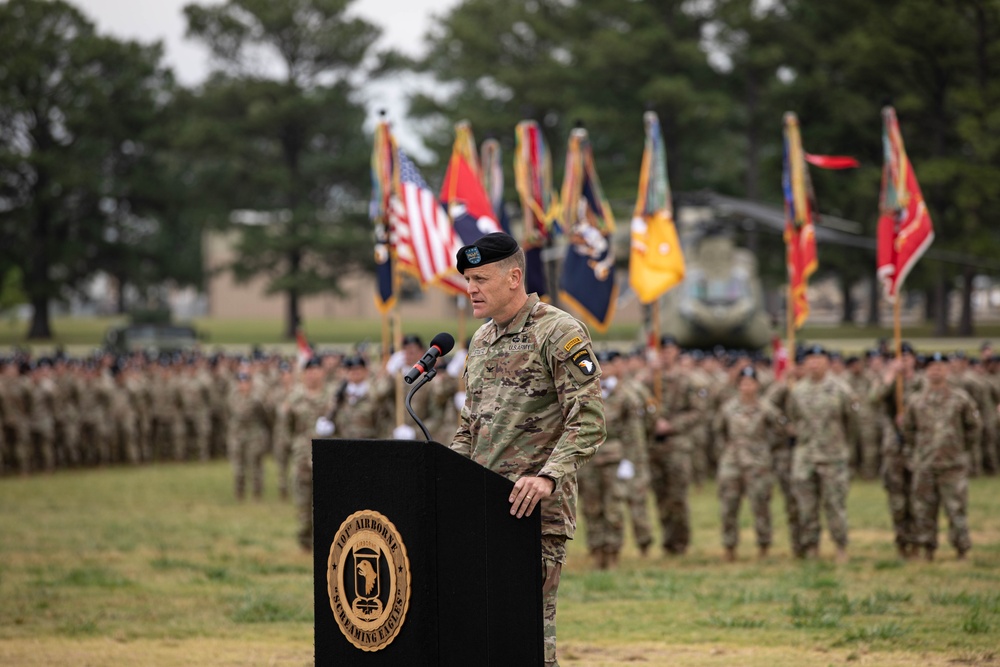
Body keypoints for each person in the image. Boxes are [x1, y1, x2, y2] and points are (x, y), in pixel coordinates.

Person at [449, 232, 605, 667]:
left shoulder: (558, 331)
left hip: (533, 512)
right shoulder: (481, 340)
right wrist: (445, 476)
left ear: (514, 277)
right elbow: (470, 425)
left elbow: (589, 421)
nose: (470, 289)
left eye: (480, 278)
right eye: (467, 279)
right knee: (480, 637)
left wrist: (547, 476)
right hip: (481, 508)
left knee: (527, 640)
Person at [902, 352, 981, 561]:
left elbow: (973, 428)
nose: (936, 370)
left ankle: (961, 549)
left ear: (947, 370)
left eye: (940, 366)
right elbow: (908, 431)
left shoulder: (960, 398)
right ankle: (928, 548)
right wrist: (919, 451)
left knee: (956, 509)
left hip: (952, 464)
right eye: (932, 366)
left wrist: (960, 449)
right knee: (924, 509)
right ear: (926, 371)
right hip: (925, 463)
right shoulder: (916, 400)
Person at [786, 344, 858, 563]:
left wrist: (844, 449)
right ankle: (810, 547)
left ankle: (840, 547)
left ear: (827, 362)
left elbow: (852, 423)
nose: (814, 363)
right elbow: (792, 418)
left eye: (819, 359)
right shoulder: (797, 390)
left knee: (835, 505)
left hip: (832, 456)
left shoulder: (841, 389)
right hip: (805, 456)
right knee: (806, 507)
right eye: (810, 359)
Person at [712, 366, 782, 561]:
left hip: (757, 462)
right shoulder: (728, 408)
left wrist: (766, 450)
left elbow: (780, 429)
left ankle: (764, 545)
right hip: (732, 462)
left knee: (760, 505)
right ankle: (729, 546)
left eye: (750, 383)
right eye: (743, 383)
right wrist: (726, 452)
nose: (746, 387)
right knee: (728, 507)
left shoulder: (766, 407)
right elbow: (718, 431)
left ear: (757, 385)